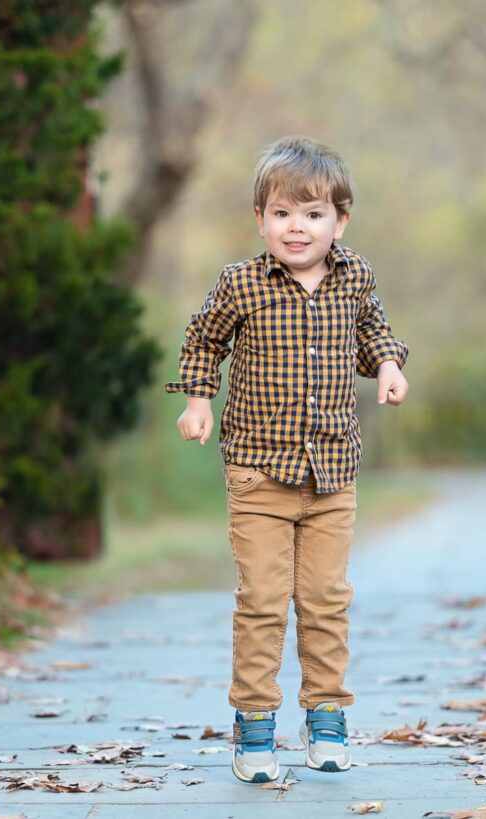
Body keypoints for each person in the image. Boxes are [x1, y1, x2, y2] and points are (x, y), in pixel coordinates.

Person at [165, 135, 409, 783]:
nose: (296, 227)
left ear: (340, 220)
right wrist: (197, 400)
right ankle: (254, 724)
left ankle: (326, 714)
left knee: (327, 597)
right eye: (281, 213)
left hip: (332, 474)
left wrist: (386, 365)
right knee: (264, 599)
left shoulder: (355, 277)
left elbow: (374, 329)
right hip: (257, 471)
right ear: (261, 219)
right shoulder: (241, 283)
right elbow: (203, 339)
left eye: (313, 213)